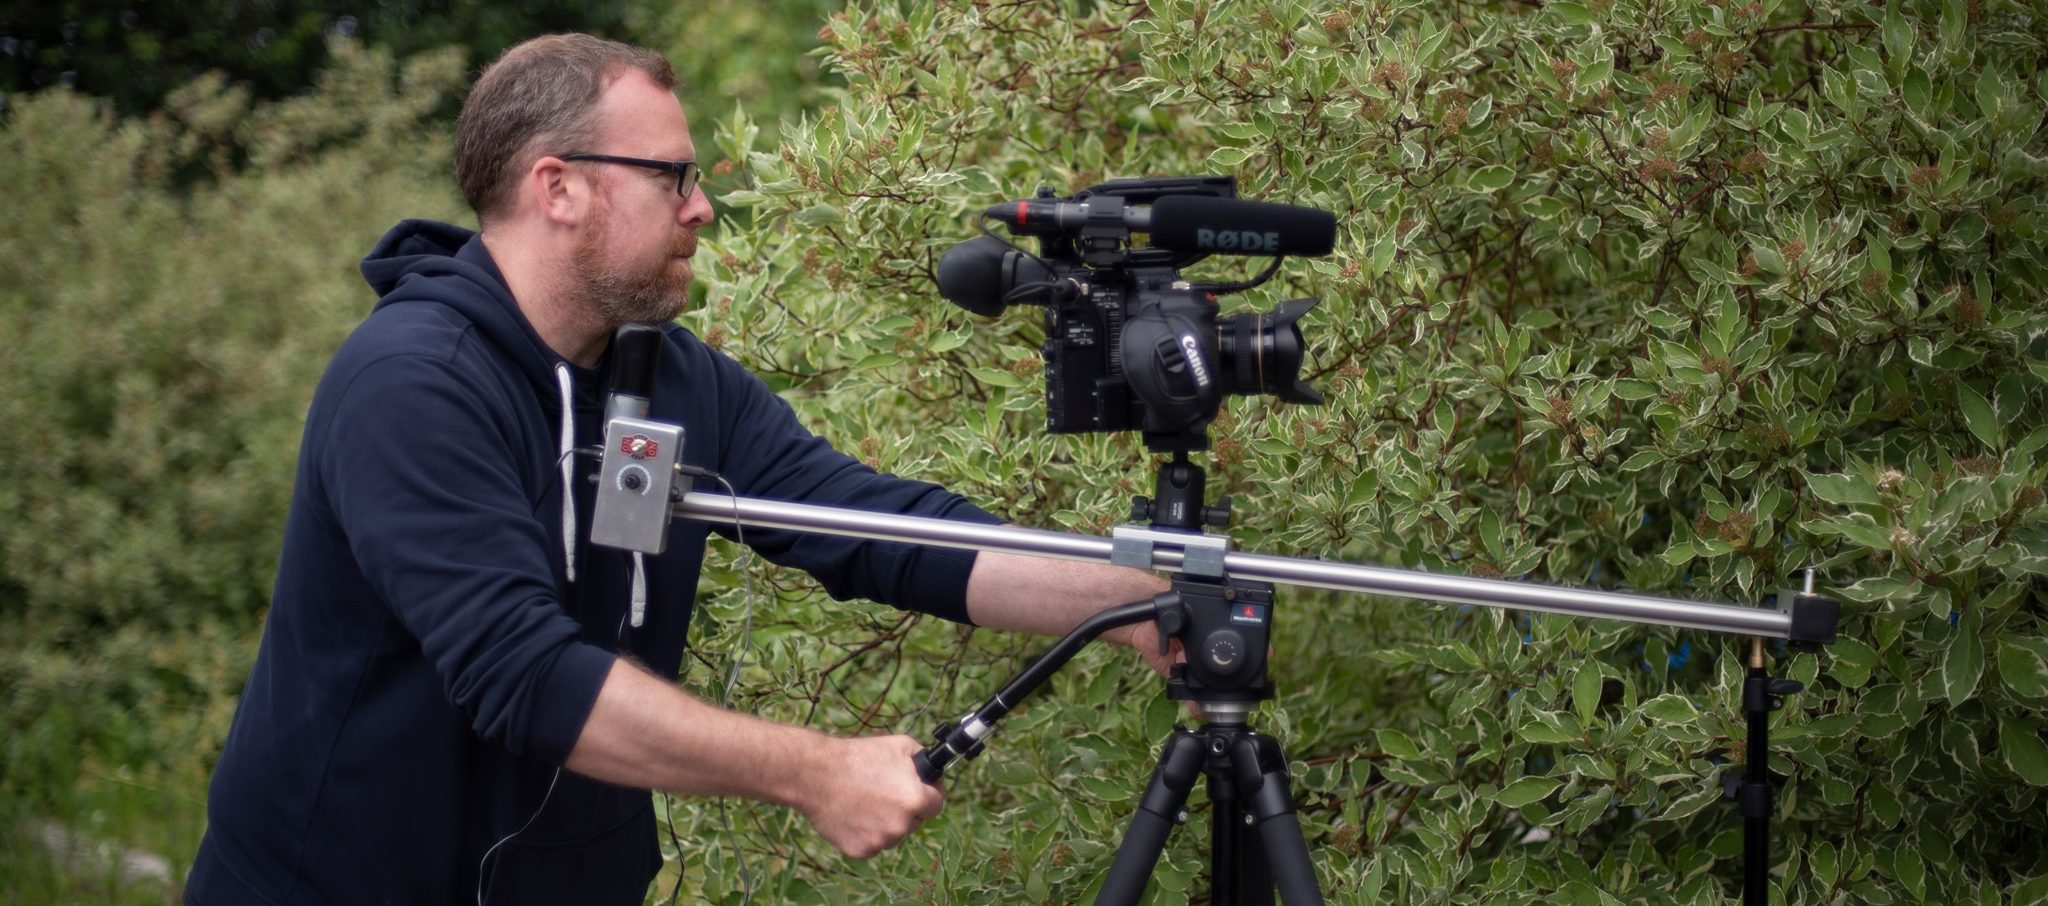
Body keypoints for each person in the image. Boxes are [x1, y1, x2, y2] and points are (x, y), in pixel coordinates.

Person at [184, 33, 1174, 906]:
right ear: (557, 186)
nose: (700, 209)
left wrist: (1119, 594)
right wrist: (814, 772)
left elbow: (870, 527)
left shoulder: (668, 377)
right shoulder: (412, 385)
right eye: (672, 177)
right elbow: (524, 676)